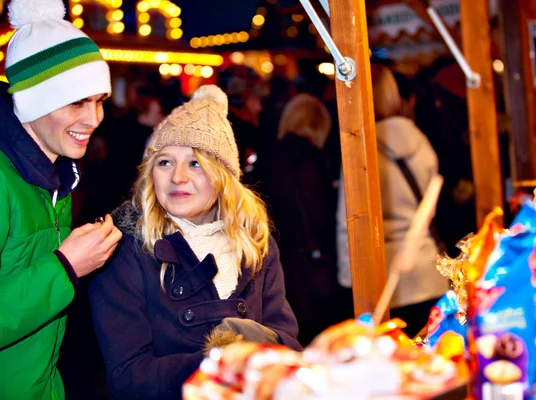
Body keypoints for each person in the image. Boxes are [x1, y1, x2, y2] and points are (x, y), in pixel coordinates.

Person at [89, 85, 301, 400]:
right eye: (164, 162)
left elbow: (289, 346)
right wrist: (221, 362)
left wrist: (269, 347)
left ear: (223, 176)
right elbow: (128, 375)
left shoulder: (255, 243)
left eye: (195, 163)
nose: (178, 177)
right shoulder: (126, 249)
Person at [0, 0, 122, 399]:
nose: (94, 119)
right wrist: (66, 266)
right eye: (77, 102)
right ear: (35, 101)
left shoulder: (56, 177)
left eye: (99, 100)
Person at [337, 65, 448, 337]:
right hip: (428, 270)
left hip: (384, 280)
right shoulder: (420, 140)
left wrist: (347, 278)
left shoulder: (358, 150)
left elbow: (346, 221)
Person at [265, 93, 352, 345]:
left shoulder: (272, 154)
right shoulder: (310, 157)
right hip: (311, 264)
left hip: (281, 259)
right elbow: (318, 214)